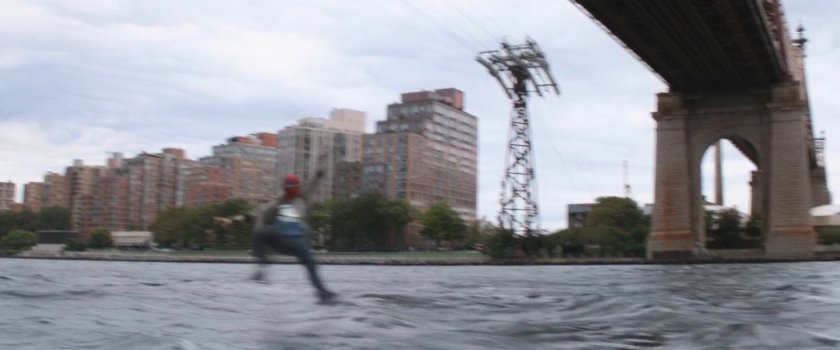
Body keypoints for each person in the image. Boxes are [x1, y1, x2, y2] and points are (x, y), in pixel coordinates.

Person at [251, 170, 337, 302]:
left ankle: (322, 292)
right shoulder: (279, 201)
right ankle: (262, 266)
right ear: (285, 188)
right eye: (289, 188)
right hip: (282, 239)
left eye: (294, 188)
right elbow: (263, 212)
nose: (292, 191)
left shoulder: (302, 198)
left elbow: (310, 186)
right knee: (263, 231)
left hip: (297, 241)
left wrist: (317, 177)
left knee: (310, 264)